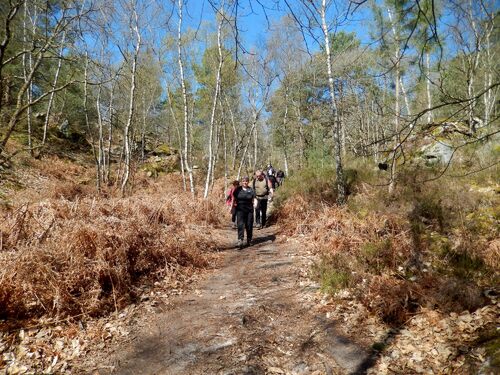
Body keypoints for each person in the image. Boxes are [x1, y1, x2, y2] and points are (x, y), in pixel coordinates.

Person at [233, 176, 256, 248]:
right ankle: (240, 240)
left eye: (246, 181)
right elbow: (234, 199)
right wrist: (232, 208)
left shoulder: (251, 190)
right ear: (241, 182)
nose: (245, 182)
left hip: (249, 210)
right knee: (240, 225)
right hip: (240, 210)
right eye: (243, 181)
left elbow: (254, 199)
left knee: (249, 225)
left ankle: (249, 239)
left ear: (248, 182)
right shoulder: (237, 190)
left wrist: (255, 204)